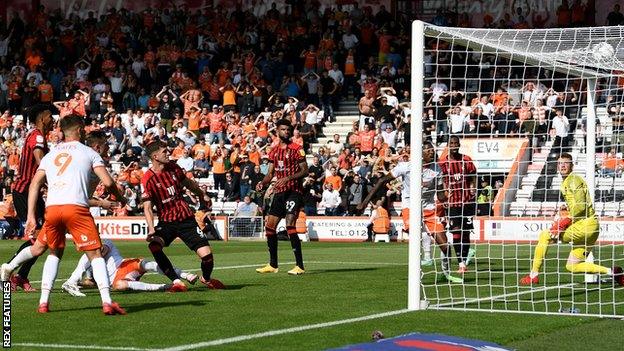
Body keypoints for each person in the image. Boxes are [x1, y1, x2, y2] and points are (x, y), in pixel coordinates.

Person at [13, 115, 127, 314]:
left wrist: (31, 215)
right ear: (81, 130)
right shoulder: (89, 152)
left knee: (53, 251)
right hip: (76, 209)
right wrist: (120, 198)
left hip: (53, 209)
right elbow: (108, 183)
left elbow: (34, 184)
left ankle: (43, 302)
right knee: (95, 254)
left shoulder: (50, 155)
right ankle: (107, 301)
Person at [359, 144, 463, 283]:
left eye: (433, 150)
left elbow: (440, 195)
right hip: (410, 207)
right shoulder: (406, 166)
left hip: (429, 209)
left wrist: (446, 195)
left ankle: (446, 274)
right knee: (415, 240)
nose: (432, 153)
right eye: (428, 151)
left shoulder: (437, 169)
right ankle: (415, 276)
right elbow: (382, 180)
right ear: (421, 153)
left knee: (445, 246)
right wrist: (365, 202)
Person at [520, 153, 624, 286]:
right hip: (588, 229)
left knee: (545, 235)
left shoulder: (573, 179)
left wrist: (565, 221)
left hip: (585, 226)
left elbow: (581, 205)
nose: (562, 165)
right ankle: (613, 272)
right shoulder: (567, 181)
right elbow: (578, 205)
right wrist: (567, 210)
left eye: (566, 162)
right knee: (572, 265)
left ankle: (533, 275)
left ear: (572, 165)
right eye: (559, 163)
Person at [142, 141, 224, 291]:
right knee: (154, 246)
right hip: (166, 222)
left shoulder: (174, 167)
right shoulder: (148, 178)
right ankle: (176, 281)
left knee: (207, 256)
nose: (168, 153)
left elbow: (188, 183)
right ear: (155, 156)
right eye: (164, 151)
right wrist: (151, 228)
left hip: (186, 219)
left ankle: (206, 278)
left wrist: (202, 194)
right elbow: (147, 208)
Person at [2, 105, 54, 292]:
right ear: (41, 118)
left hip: (32, 192)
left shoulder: (36, 135)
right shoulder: (38, 137)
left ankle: (20, 277)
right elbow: (42, 162)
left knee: (43, 238)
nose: (53, 119)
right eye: (50, 116)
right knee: (38, 237)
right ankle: (8, 272)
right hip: (25, 192)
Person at [255, 119, 308, 275]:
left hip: (294, 191)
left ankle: (300, 266)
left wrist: (288, 178)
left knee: (290, 224)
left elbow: (304, 171)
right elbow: (270, 174)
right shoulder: (274, 151)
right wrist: (263, 183)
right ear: (277, 131)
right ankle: (273, 265)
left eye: (288, 129)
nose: (286, 132)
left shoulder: (298, 149)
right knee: (270, 226)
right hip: (279, 192)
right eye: (283, 129)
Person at [62, 240, 198, 296]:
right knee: (119, 286)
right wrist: (78, 284)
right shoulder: (85, 260)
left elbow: (101, 251)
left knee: (147, 264)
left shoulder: (103, 241)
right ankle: (165, 286)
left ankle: (185, 275)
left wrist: (90, 251)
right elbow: (91, 282)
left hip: (124, 265)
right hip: (118, 279)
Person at [439, 135, 477, 274]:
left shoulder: (466, 160)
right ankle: (460, 262)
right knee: (456, 231)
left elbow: (474, 175)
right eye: (452, 143)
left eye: (456, 143)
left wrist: (473, 188)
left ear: (459, 145)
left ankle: (464, 261)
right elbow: (440, 181)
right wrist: (444, 196)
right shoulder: (442, 164)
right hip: (453, 203)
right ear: (448, 145)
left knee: (466, 232)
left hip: (467, 202)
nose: (454, 145)